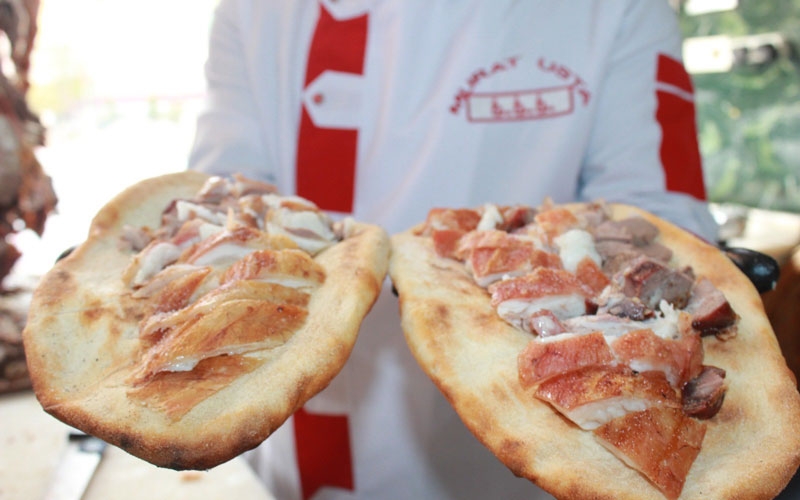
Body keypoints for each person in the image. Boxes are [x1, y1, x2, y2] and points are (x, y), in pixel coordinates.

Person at [187, 0, 719, 498]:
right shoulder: (256, 12)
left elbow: (658, 221)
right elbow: (224, 209)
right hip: (285, 445)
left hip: (538, 445)